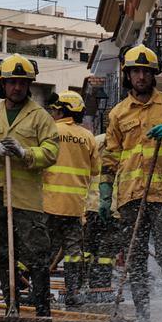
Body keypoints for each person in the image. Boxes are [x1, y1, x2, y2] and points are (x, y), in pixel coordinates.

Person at [99, 44, 162, 322]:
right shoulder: (117, 114)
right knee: (135, 262)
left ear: (154, 75)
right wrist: (105, 194)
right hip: (130, 198)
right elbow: (110, 157)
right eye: (136, 71)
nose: (141, 76)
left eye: (146, 72)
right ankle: (142, 318)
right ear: (127, 75)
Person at [0, 54, 61, 317]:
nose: (18, 87)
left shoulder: (40, 117)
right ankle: (11, 305)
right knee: (3, 252)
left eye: (22, 82)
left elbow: (52, 152)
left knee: (37, 254)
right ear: (3, 83)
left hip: (27, 197)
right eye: (12, 82)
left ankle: (42, 310)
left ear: (29, 84)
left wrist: (25, 153)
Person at [44, 90, 99, 306]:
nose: (54, 113)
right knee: (73, 252)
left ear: (61, 110)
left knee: (45, 250)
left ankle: (40, 292)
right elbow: (95, 170)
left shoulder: (50, 131)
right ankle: (73, 293)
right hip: (75, 208)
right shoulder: (88, 137)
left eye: (56, 110)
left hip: (49, 203)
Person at [84, 132, 117, 302]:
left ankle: (81, 284)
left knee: (88, 248)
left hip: (92, 204)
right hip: (114, 206)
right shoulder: (127, 142)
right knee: (106, 250)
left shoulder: (95, 141)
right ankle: (102, 286)